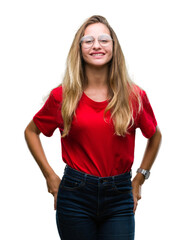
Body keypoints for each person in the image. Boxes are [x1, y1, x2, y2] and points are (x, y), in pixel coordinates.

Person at [24, 15, 162, 240]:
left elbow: (154, 135)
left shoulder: (134, 96)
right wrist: (50, 177)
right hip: (75, 195)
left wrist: (139, 178)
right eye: (88, 40)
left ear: (113, 47)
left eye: (103, 40)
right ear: (79, 49)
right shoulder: (63, 97)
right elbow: (31, 131)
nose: (96, 45)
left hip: (120, 196)